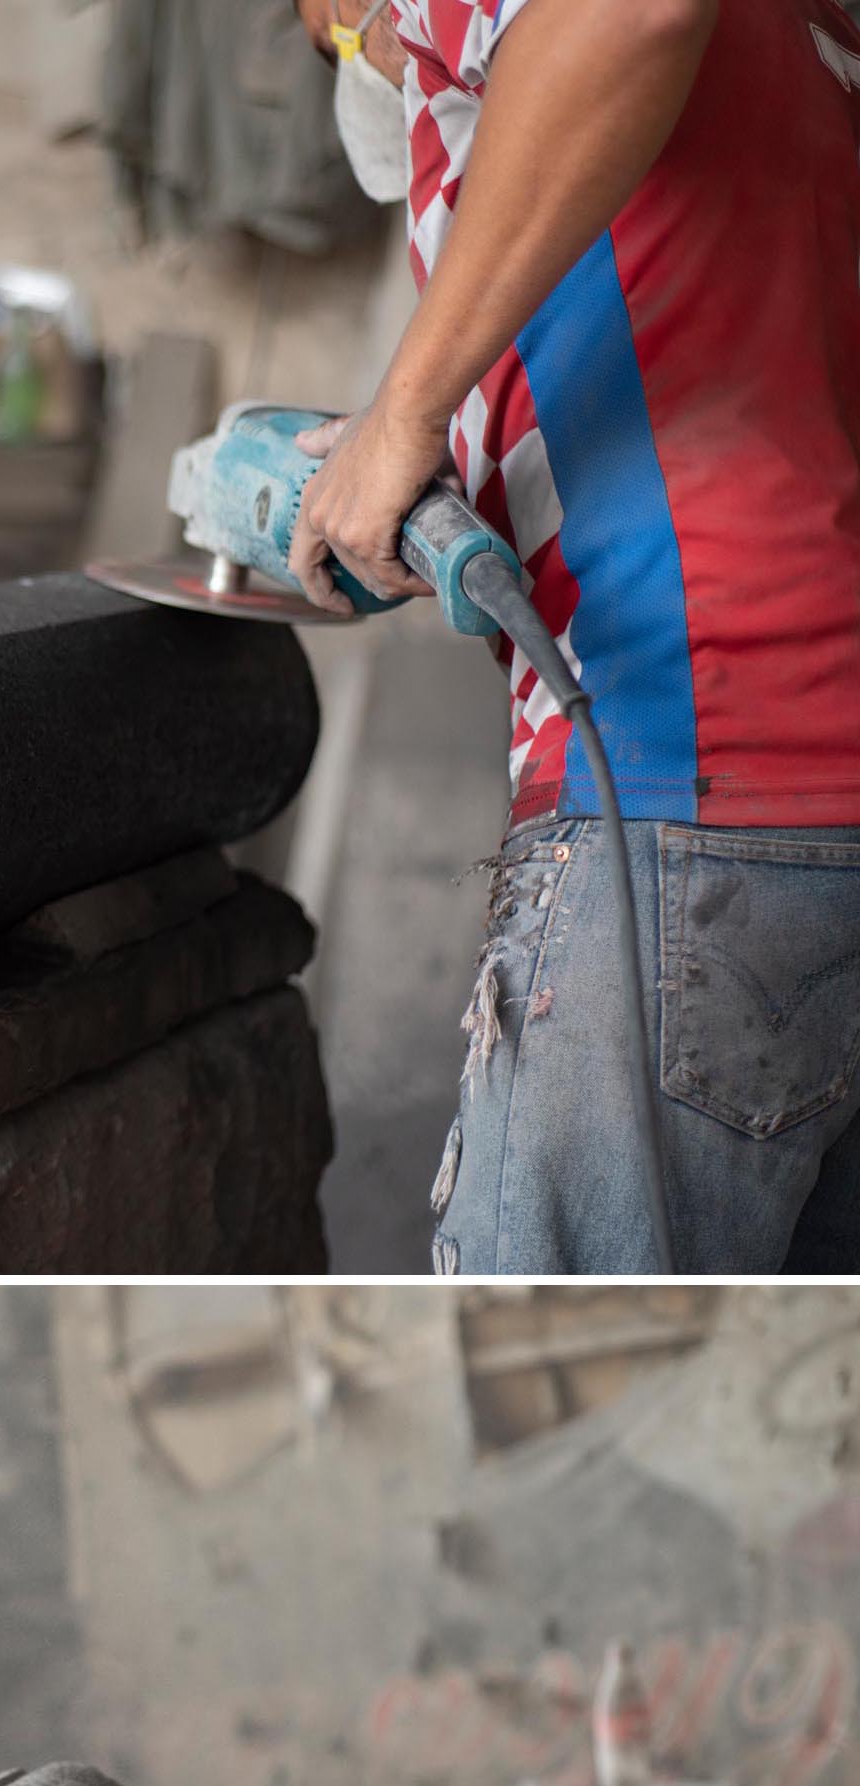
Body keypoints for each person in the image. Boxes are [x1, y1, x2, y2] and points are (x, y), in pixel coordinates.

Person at [291, 0, 860, 1274]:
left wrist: (403, 417)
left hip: (689, 764)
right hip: (816, 789)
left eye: (331, 29)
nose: (359, 53)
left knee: (552, 1418)